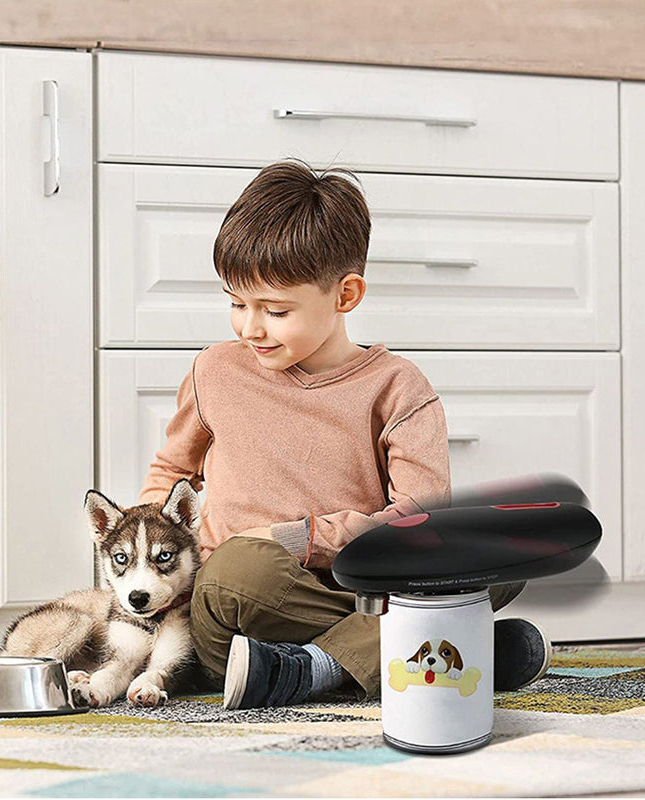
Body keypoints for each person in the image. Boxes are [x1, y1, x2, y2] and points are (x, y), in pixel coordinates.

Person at [139, 159, 551, 709]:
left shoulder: (399, 389)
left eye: (276, 309)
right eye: (237, 303)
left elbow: (416, 520)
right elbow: (171, 473)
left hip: (363, 586)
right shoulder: (214, 370)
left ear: (346, 294)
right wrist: (139, 553)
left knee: (492, 553)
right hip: (240, 604)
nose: (250, 327)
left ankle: (315, 669)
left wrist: (301, 538)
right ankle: (450, 646)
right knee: (240, 567)